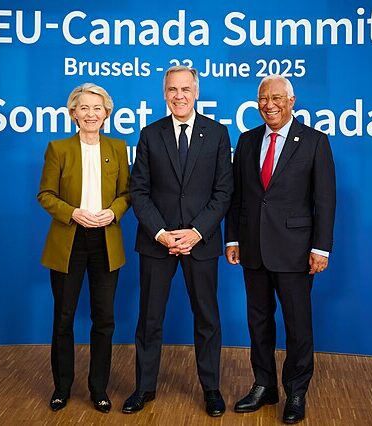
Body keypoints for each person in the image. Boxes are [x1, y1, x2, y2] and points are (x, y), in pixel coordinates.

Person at [225, 75, 336, 424]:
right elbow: (237, 196)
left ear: (291, 101)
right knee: (258, 322)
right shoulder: (247, 140)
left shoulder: (315, 141)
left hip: (296, 251)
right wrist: (233, 239)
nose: (269, 105)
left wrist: (321, 248)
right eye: (263, 99)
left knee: (297, 325)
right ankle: (264, 385)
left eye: (276, 98)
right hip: (253, 249)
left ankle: (296, 391)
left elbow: (325, 201)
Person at [123, 66, 233, 417]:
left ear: (196, 92)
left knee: (207, 318)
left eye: (185, 89)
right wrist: (161, 233)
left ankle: (211, 389)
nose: (179, 95)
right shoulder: (150, 134)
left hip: (201, 241)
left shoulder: (217, 134)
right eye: (172, 89)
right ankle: (144, 388)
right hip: (157, 242)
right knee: (149, 318)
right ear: (164, 93)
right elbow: (138, 191)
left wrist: (196, 231)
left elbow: (224, 191)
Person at [37, 83, 130, 413]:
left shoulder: (118, 148)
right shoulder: (58, 148)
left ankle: (98, 388)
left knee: (104, 320)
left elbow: (127, 194)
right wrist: (73, 213)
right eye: (84, 108)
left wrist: (114, 212)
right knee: (63, 318)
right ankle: (62, 387)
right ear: (73, 113)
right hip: (69, 241)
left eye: (97, 108)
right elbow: (45, 195)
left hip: (105, 242)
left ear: (106, 113)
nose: (91, 114)